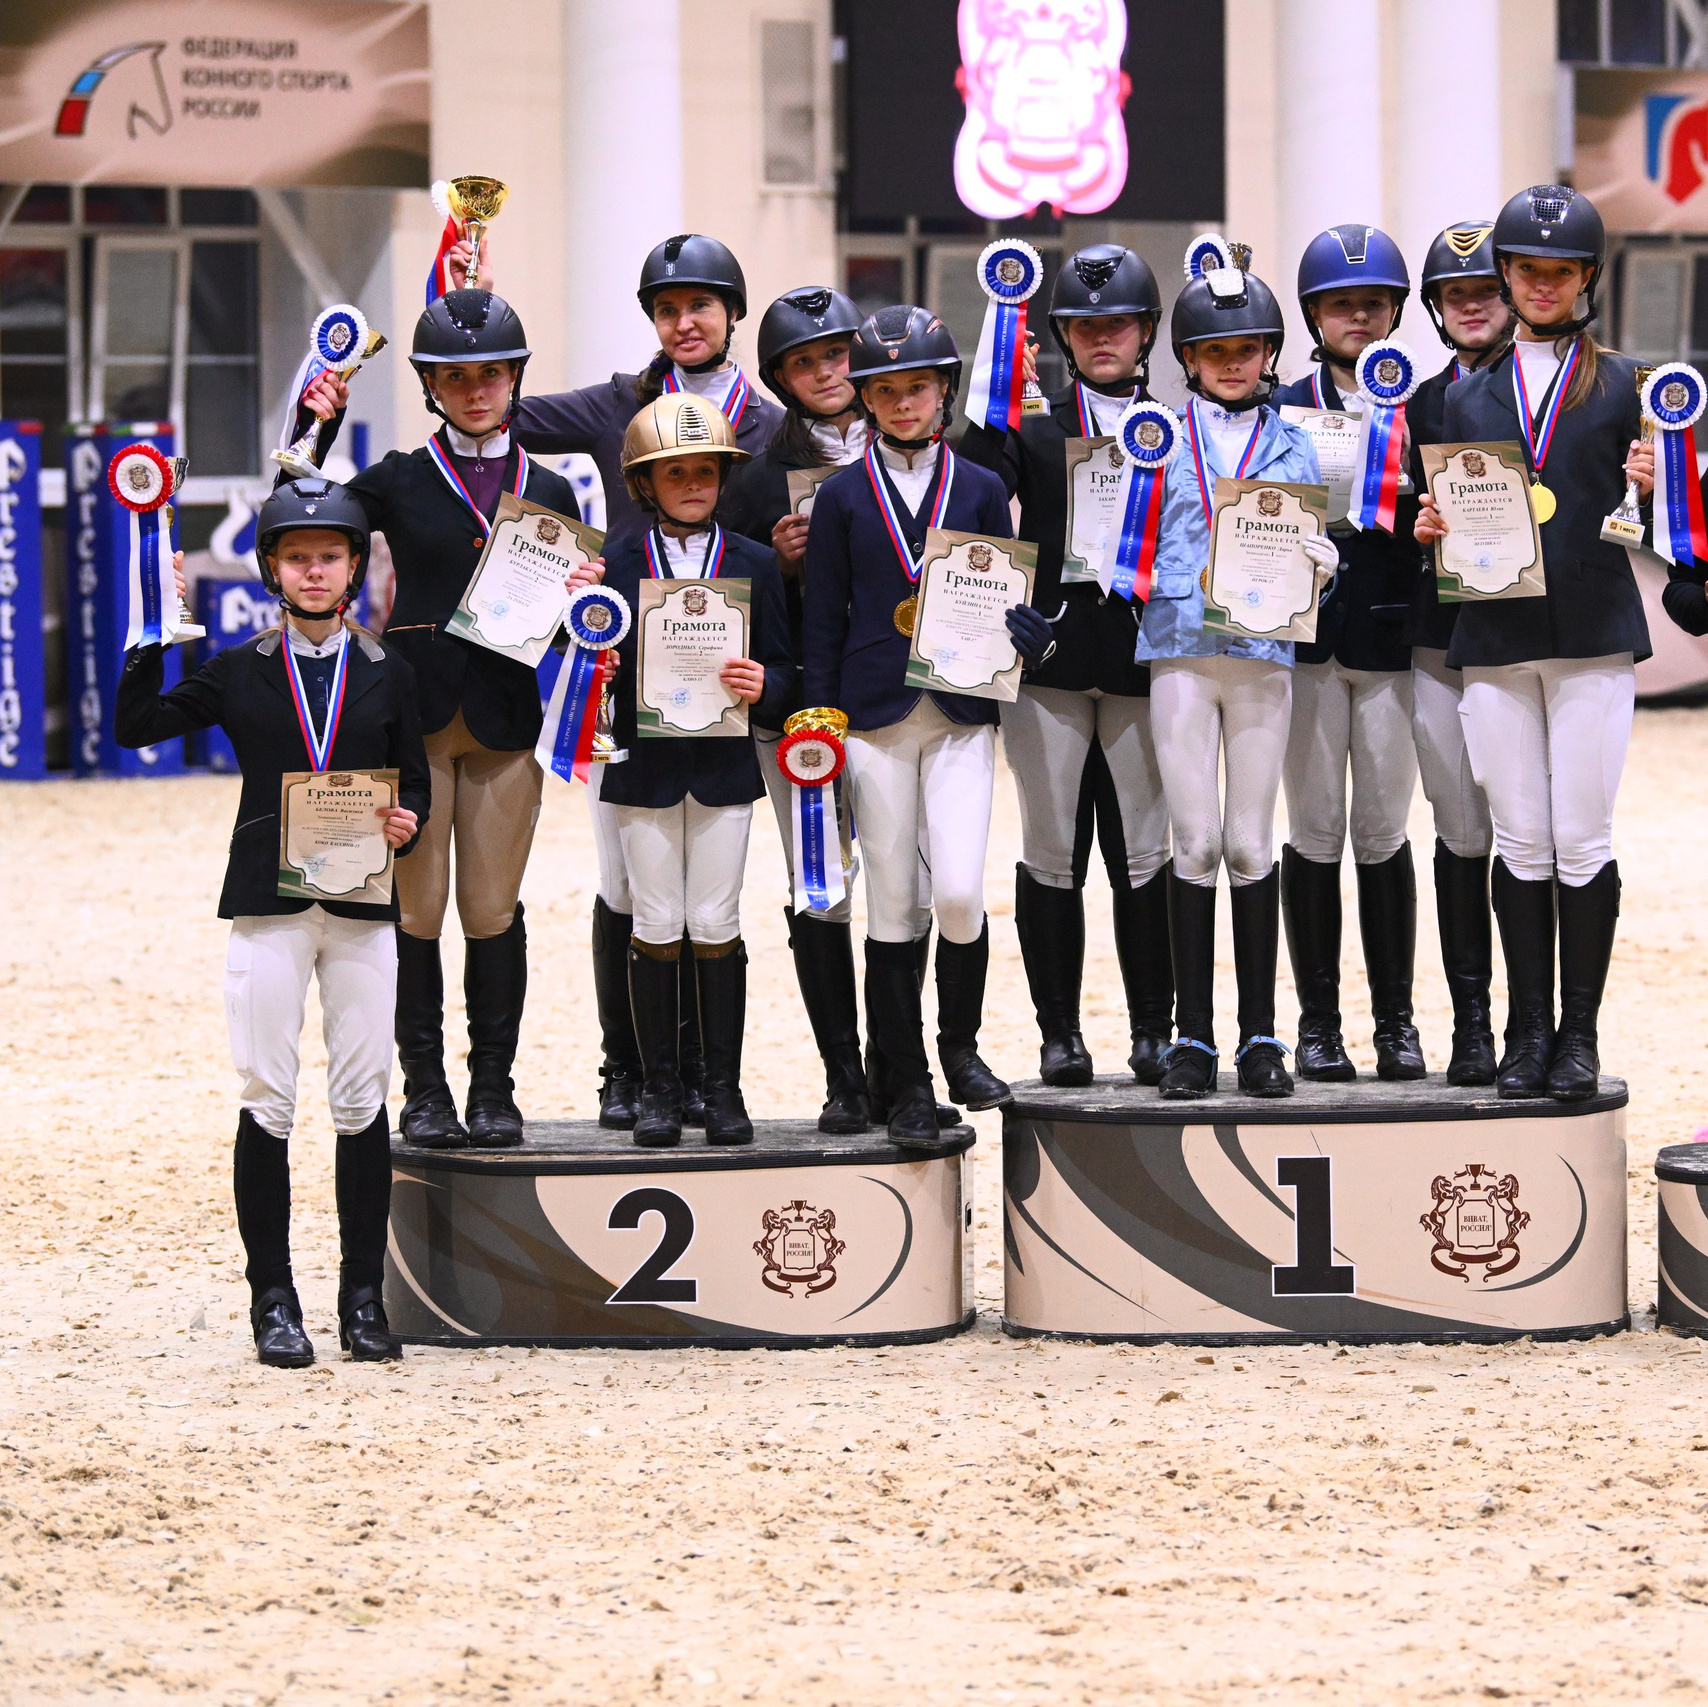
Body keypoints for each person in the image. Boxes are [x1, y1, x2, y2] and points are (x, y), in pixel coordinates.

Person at [468, 234, 783, 1132]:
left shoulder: (767, 427)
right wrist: (475, 316)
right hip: (627, 686)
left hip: (732, 685)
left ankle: (705, 1075)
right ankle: (634, 1070)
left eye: (701, 306)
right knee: (627, 889)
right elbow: (502, 417)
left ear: (731, 314)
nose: (684, 323)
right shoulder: (619, 405)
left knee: (709, 898)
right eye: (667, 309)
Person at [114, 480, 431, 1367]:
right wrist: (152, 623)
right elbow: (136, 725)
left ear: (355, 566)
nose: (316, 570)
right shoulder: (241, 666)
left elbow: (416, 780)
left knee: (364, 1100)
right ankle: (273, 1301)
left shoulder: (387, 670)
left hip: (364, 903)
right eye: (299, 557)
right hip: (269, 900)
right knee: (270, 1099)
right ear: (272, 570)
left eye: (331, 556)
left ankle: (364, 1300)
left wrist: (409, 821)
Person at [303, 290, 593, 1151]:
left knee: (492, 908)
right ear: (431, 385)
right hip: (417, 718)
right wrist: (321, 425)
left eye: (491, 374)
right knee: (418, 910)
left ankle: (494, 1086)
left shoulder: (550, 485)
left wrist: (583, 598)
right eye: (455, 376)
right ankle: (425, 1088)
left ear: (514, 379)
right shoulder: (397, 475)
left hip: (506, 715)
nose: (475, 390)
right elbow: (305, 519)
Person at [1415, 184, 1652, 1101]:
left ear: (1585, 277)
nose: (1542, 284)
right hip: (1498, 634)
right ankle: (1525, 1031)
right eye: (1526, 270)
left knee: (1580, 840)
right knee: (1518, 841)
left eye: (1559, 271)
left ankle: (1579, 1036)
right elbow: (1432, 504)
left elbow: (1663, 524)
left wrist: (1653, 485)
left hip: (1592, 636)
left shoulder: (1629, 387)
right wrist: (1431, 524)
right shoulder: (1462, 399)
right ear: (1504, 277)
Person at [802, 307, 1051, 1141]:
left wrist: (1030, 634)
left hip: (959, 714)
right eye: (886, 391)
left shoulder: (981, 488)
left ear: (943, 389)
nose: (903, 404)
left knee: (957, 890)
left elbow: (1006, 592)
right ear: (864, 399)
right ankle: (903, 1080)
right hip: (871, 716)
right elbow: (823, 618)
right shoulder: (840, 496)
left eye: (918, 387)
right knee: (893, 904)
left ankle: (961, 1045)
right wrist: (823, 723)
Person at [956, 243, 1175, 1087]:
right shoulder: (1031, 427)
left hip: (1142, 666)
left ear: (1148, 331)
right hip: (1044, 661)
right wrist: (998, 384)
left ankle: (1152, 1028)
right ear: (1060, 337)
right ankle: (1059, 1032)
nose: (1101, 339)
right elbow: (973, 484)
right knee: (1054, 856)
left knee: (1143, 853)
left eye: (1117, 323)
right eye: (1083, 328)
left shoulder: (1178, 427)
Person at [1136, 254, 1338, 1100]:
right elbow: (1123, 541)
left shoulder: (1298, 441)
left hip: (1262, 655)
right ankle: (1192, 1036)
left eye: (1247, 346)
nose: (1230, 361)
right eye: (1214, 347)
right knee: (1195, 842)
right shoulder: (1151, 437)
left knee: (1253, 842)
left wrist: (1324, 567)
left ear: (1268, 354)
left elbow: (1320, 536)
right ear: (1187, 355)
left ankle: (1260, 1033)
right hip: (1181, 646)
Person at [599, 393, 795, 1146]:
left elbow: (784, 664)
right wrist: (595, 655)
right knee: (653, 919)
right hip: (643, 769)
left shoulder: (751, 563)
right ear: (645, 483)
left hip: (721, 766)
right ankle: (658, 1087)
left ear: (723, 477)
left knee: (714, 919)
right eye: (673, 472)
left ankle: (722, 1087)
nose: (691, 484)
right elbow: (580, 660)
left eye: (704, 472)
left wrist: (765, 685)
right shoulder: (615, 564)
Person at [1273, 225, 1424, 1083]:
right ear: (1315, 315)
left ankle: (1396, 1023)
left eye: (1373, 303)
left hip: (1393, 639)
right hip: (1305, 642)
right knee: (1315, 829)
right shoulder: (1280, 403)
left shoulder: (1421, 403)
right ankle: (1318, 1023)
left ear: (1397, 311)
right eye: (1342, 304)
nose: (1359, 317)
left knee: (1382, 830)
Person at [720, 285, 873, 1131]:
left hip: (891, 693)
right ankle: (842, 1072)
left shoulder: (912, 440)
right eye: (805, 363)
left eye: (836, 354)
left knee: (909, 884)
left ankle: (901, 1064)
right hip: (798, 707)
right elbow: (729, 592)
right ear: (779, 377)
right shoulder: (754, 474)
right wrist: (771, 565)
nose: (826, 372)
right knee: (819, 885)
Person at [1404, 219, 1516, 1086]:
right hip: (1443, 638)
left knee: (1533, 832)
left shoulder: (1560, 388)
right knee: (1459, 828)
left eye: (1484, 290)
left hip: (1524, 638)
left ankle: (1535, 1021)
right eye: (1455, 294)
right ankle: (1472, 1021)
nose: (1472, 305)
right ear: (1437, 309)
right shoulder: (1416, 402)